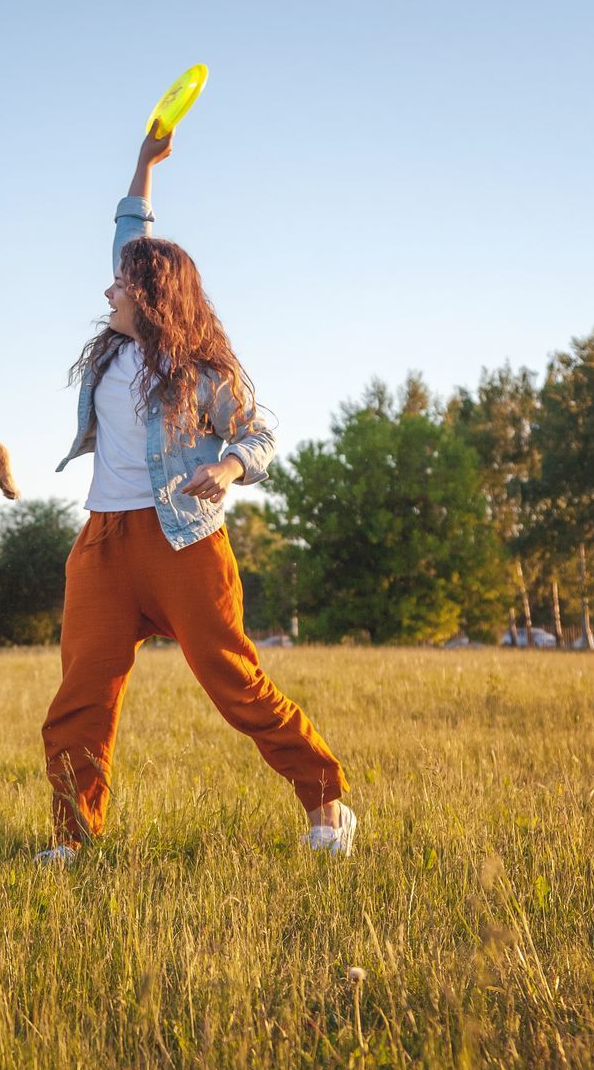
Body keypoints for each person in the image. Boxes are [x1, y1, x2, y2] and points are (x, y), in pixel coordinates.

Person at [36, 123, 356, 864]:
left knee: (234, 682)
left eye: (121, 282)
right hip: (103, 545)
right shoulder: (114, 350)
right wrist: (144, 163)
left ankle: (326, 801)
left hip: (184, 542)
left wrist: (230, 469)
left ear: (150, 296)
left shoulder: (202, 373)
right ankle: (73, 837)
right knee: (81, 695)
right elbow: (130, 228)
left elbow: (258, 437)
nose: (108, 287)